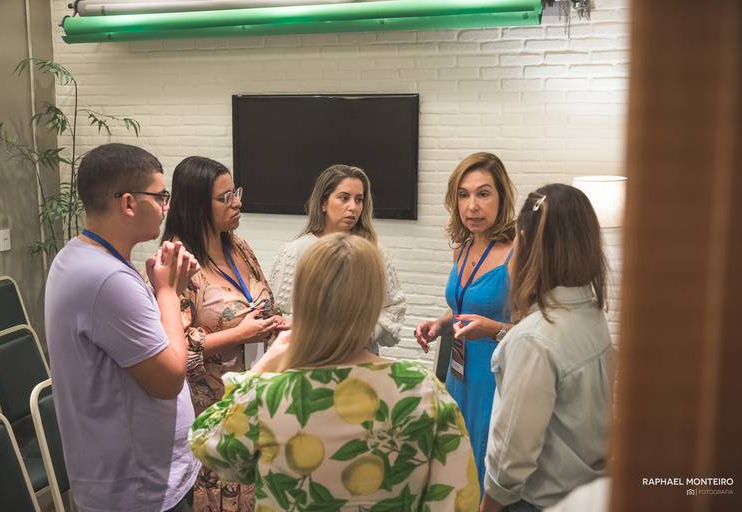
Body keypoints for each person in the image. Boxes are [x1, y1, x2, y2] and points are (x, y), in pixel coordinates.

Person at [190, 234, 479, 511]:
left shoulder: (269, 396)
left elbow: (209, 446)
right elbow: (457, 500)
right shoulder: (424, 392)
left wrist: (266, 365)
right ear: (374, 302)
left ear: (304, 301)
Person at [44, 143, 201, 512]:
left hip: (140, 478)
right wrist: (168, 291)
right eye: (160, 197)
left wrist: (157, 288)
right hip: (139, 489)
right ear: (129, 203)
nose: (166, 207)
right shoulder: (107, 278)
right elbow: (169, 380)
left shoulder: (79, 255)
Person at [162, 156, 288, 511]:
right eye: (225, 197)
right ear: (195, 204)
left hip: (252, 399)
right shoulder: (177, 262)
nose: (237, 203)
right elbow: (174, 347)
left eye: (236, 193)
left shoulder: (238, 246)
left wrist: (279, 323)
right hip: (210, 414)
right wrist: (238, 334)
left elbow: (263, 304)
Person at [480, 184, 616, 512]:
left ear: (526, 243)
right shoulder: (591, 314)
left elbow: (511, 458)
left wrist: (488, 505)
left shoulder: (534, 339)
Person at [414, 152, 517, 492]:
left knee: (487, 466)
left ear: (502, 198)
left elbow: (540, 329)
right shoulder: (462, 247)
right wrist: (440, 325)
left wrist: (494, 330)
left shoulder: (519, 251)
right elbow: (463, 307)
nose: (472, 206)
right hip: (459, 374)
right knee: (458, 463)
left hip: (496, 377)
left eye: (483, 194)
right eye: (463, 195)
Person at [269, 164, 406, 354]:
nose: (353, 207)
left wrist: (368, 334)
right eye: (344, 198)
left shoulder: (374, 251)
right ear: (323, 203)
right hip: (310, 360)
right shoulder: (295, 251)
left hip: (361, 359)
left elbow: (394, 306)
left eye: (359, 200)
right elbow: (277, 315)